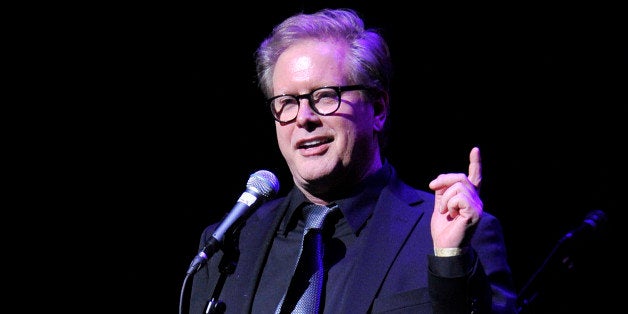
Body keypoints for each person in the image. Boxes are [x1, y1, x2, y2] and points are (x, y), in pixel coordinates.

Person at [188, 8, 517, 314]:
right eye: (287, 102)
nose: (304, 118)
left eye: (325, 96)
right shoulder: (227, 245)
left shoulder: (452, 235)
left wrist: (450, 263)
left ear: (378, 109)